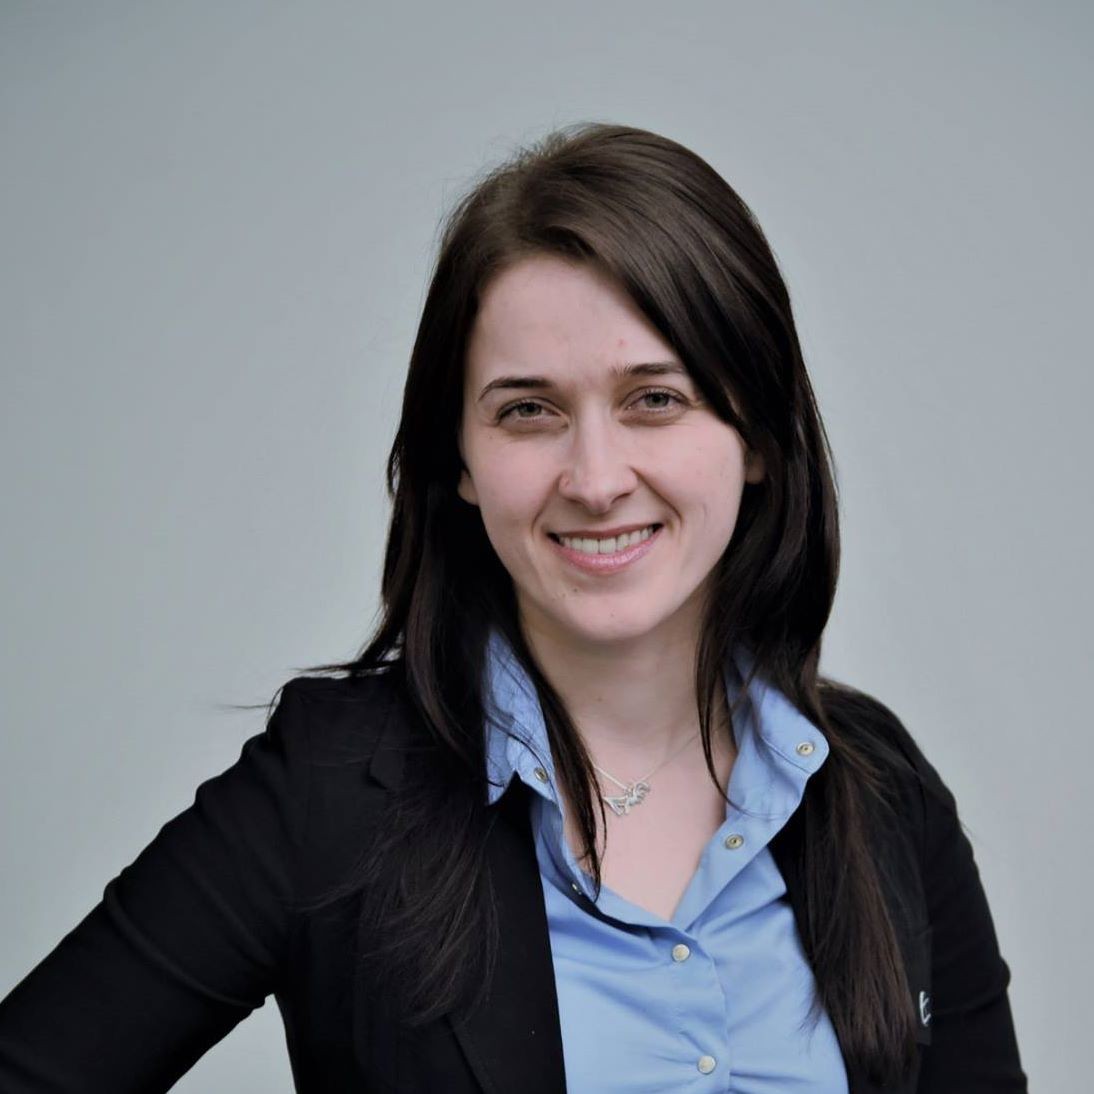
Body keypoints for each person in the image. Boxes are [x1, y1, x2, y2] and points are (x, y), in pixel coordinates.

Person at [0, 122, 1027, 1093]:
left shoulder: (880, 791)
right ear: (459, 459)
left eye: (654, 399)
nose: (595, 478)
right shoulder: (326, 791)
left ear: (754, 438)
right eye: (528, 410)